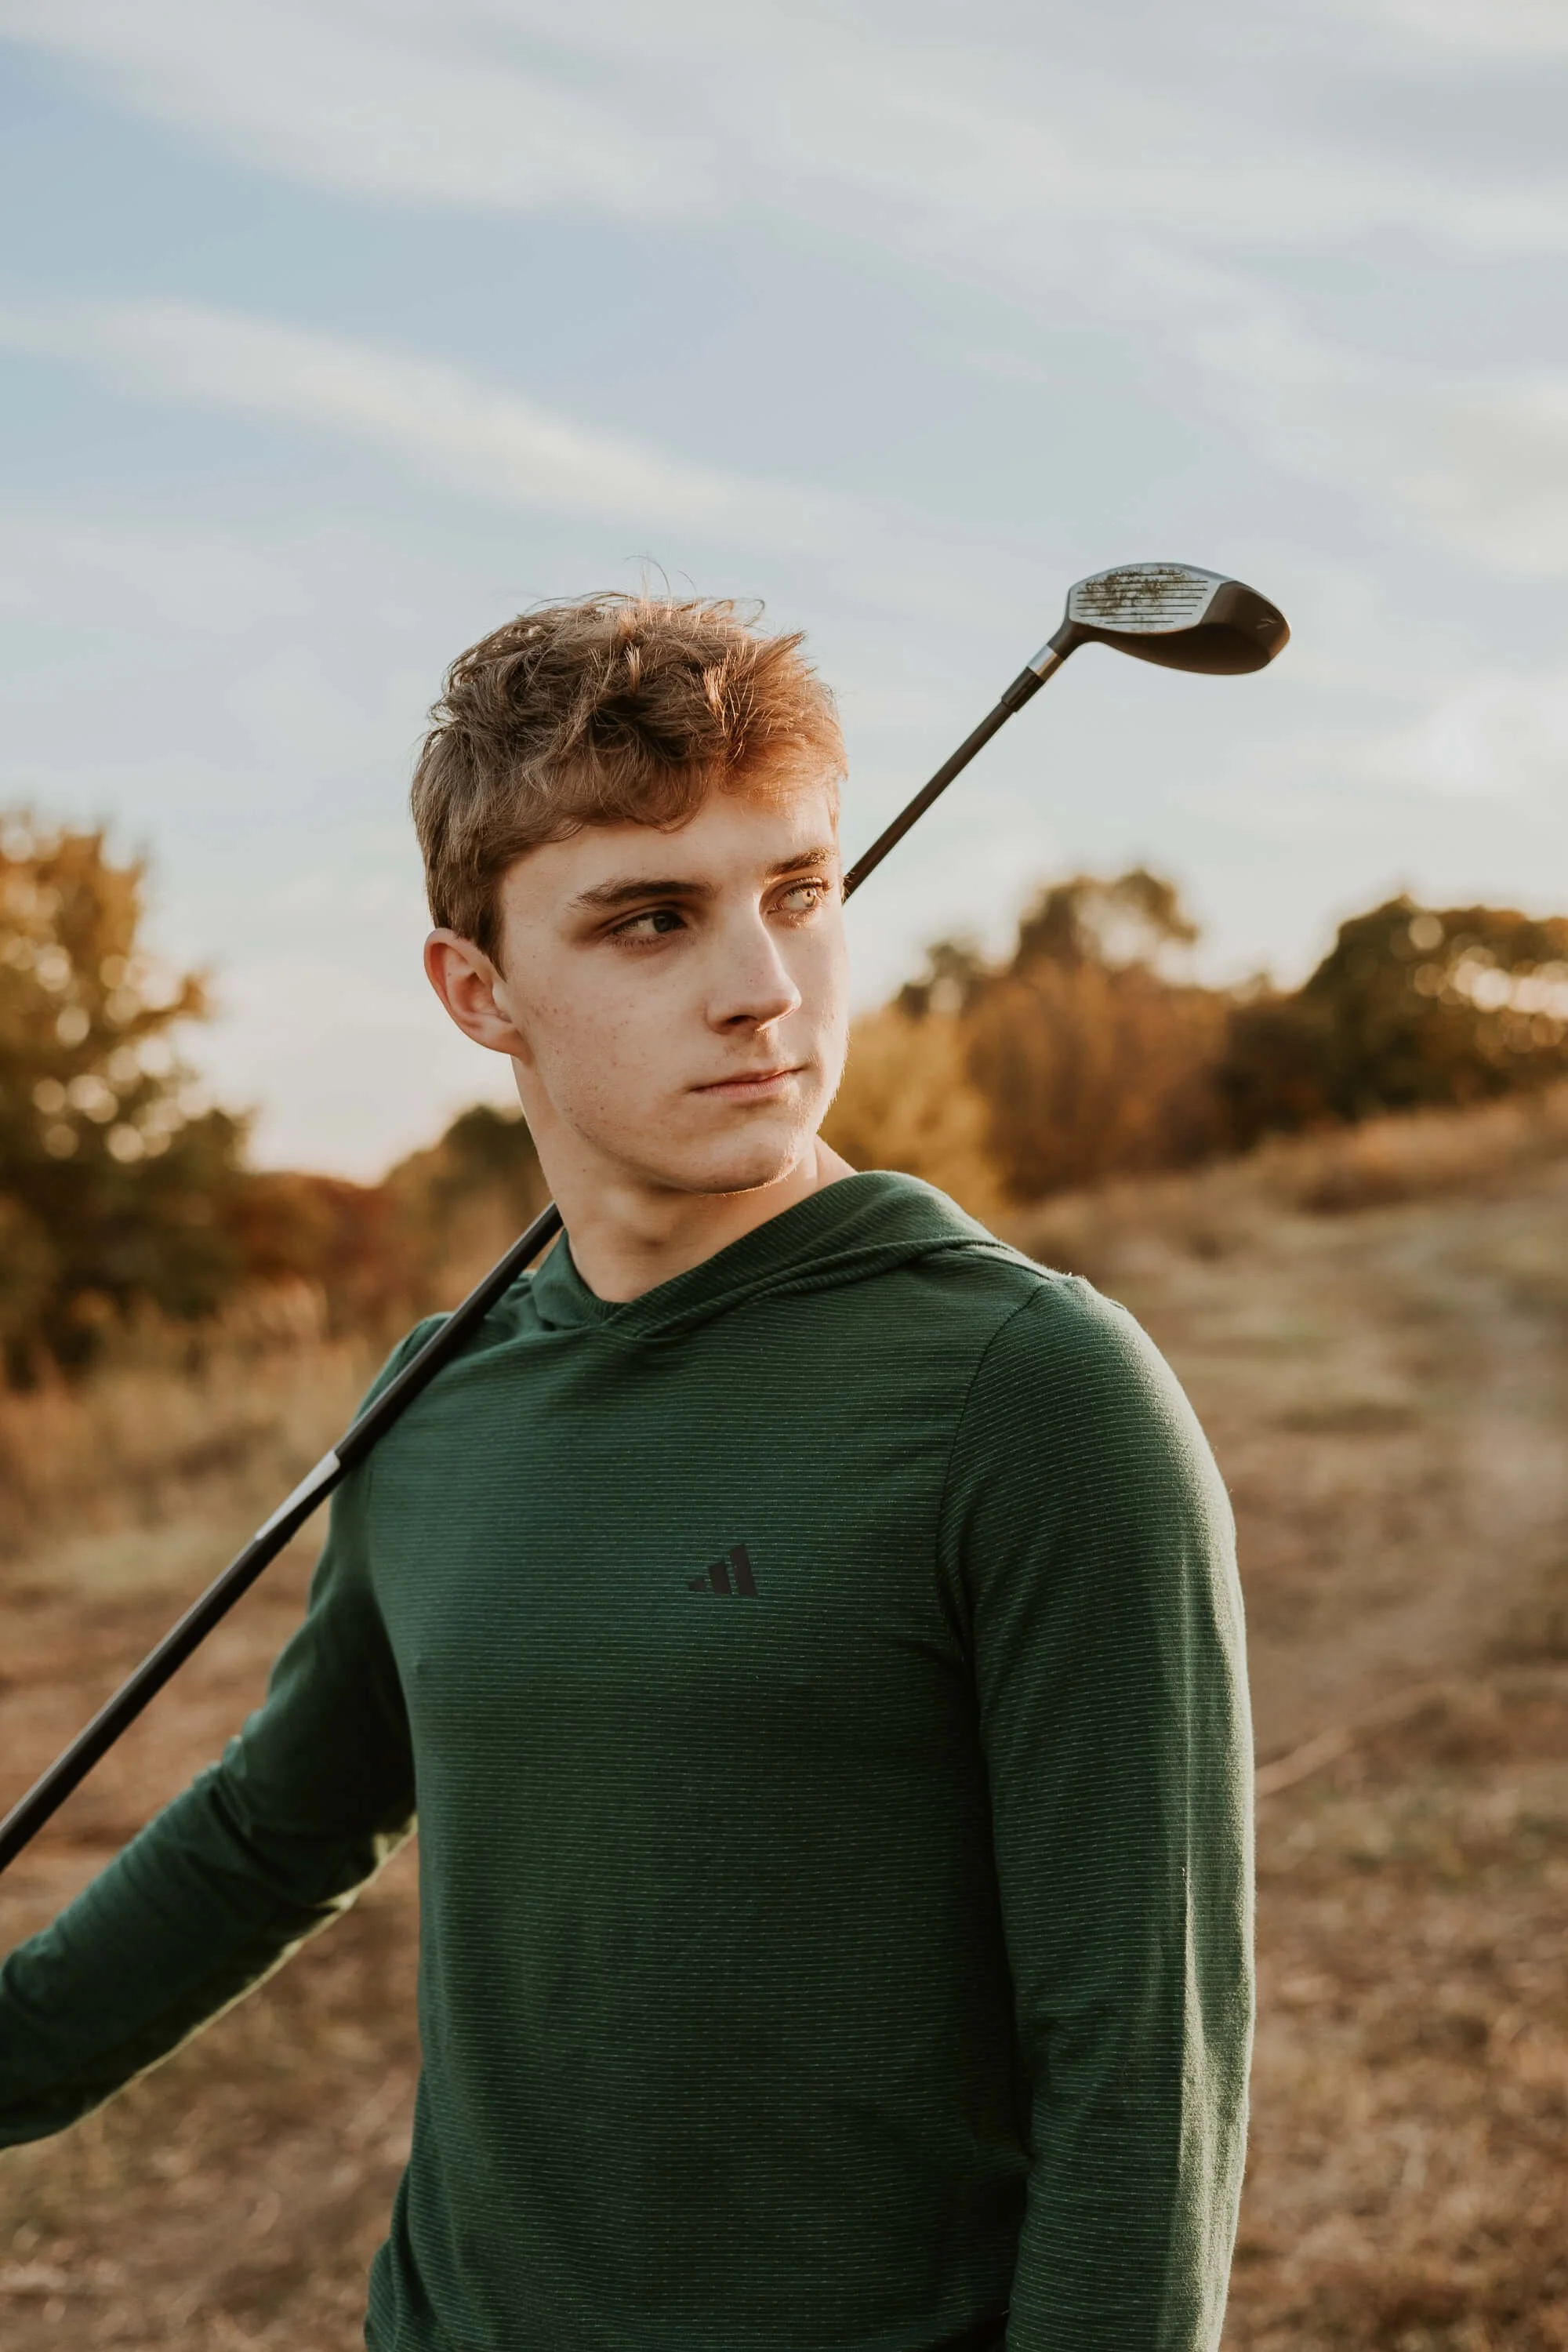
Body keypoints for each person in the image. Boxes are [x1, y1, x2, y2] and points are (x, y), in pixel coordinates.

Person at [0, 595, 1253, 2351]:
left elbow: (1143, 2079)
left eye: (797, 892)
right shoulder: (433, 1400)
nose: (763, 989)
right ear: (478, 993)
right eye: (651, 919)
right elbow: (275, 1830)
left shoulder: (1035, 1393)